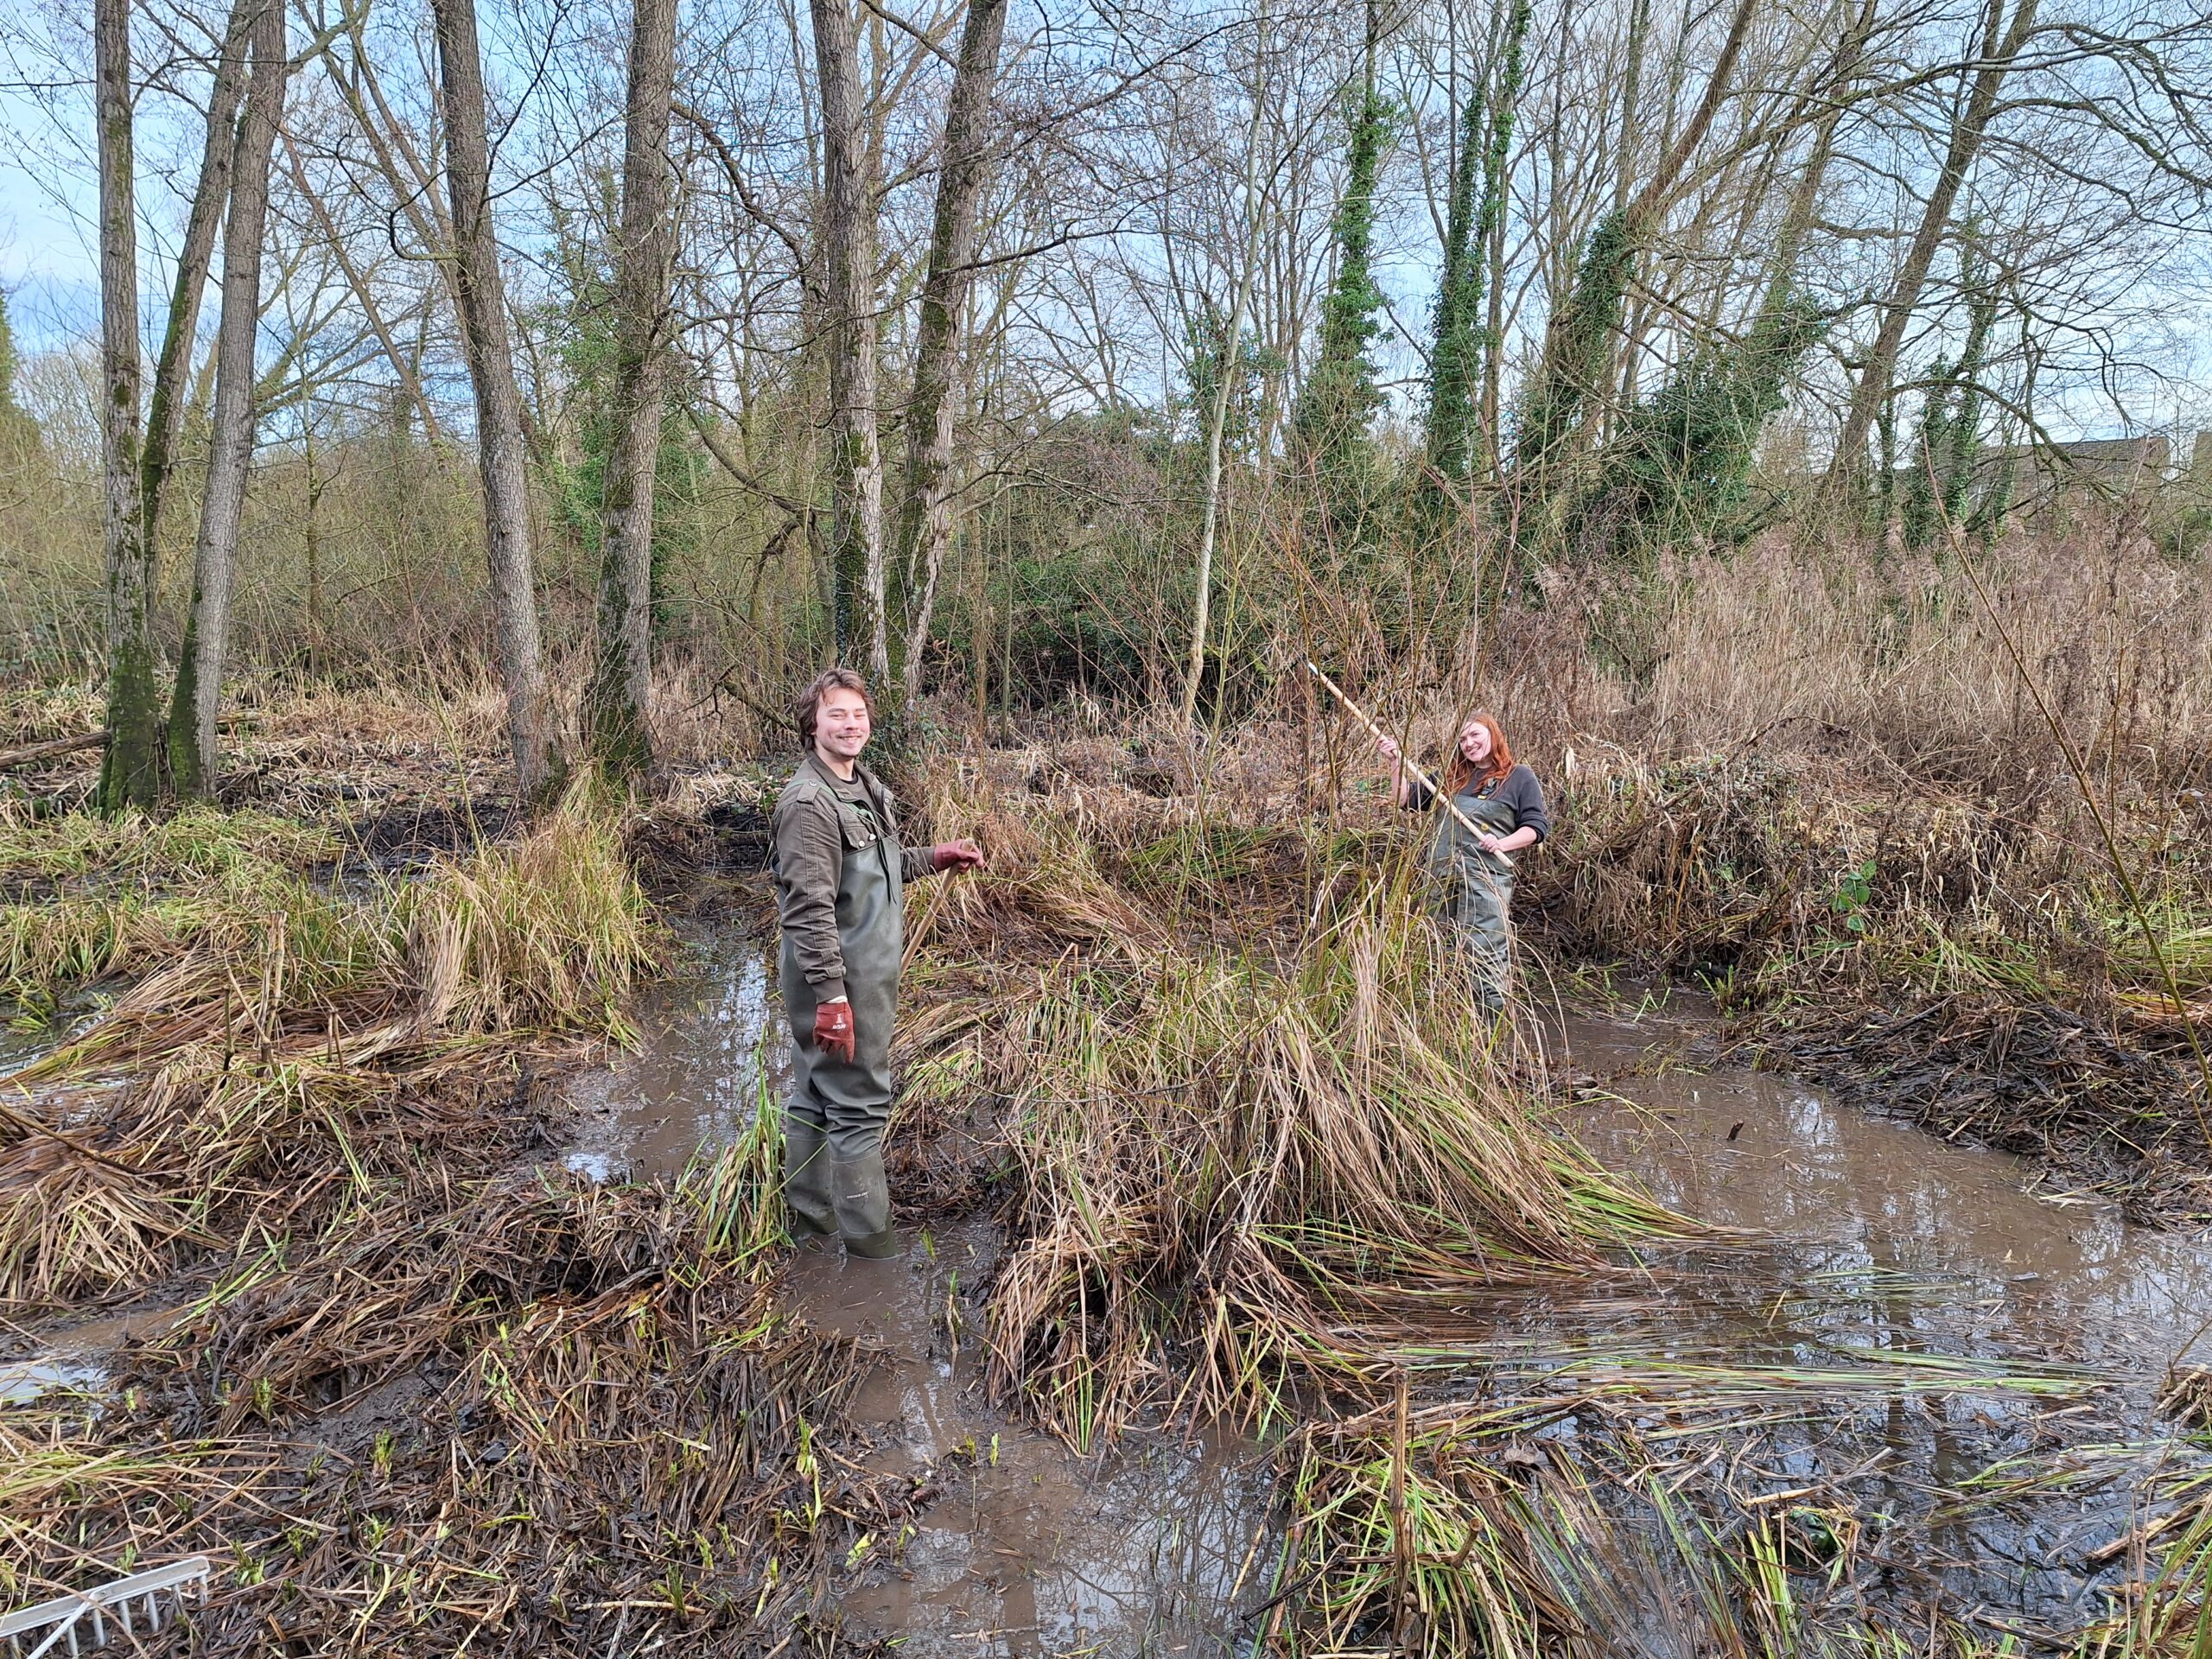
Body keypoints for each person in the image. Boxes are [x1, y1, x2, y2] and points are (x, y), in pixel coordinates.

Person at [770, 668, 984, 1258]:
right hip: (840, 981)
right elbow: (808, 909)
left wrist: (935, 856)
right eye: (836, 713)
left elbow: (873, 871)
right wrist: (833, 999)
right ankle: (874, 1256)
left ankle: (808, 1232)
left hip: (858, 976)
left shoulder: (860, 784)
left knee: (815, 1096)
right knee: (859, 1105)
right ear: (811, 723)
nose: (851, 723)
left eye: (858, 712)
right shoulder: (809, 804)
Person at [1375, 713, 1549, 1013]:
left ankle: (1488, 1029)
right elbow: (1404, 799)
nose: (1469, 744)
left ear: (1493, 735)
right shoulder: (1450, 776)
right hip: (1441, 882)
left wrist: (1501, 843)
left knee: (1485, 955)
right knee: (1437, 951)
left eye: (1476, 736)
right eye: (1463, 739)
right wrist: (1395, 762)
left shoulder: (1518, 776)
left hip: (1485, 885)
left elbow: (1536, 828)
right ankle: (1443, 1022)